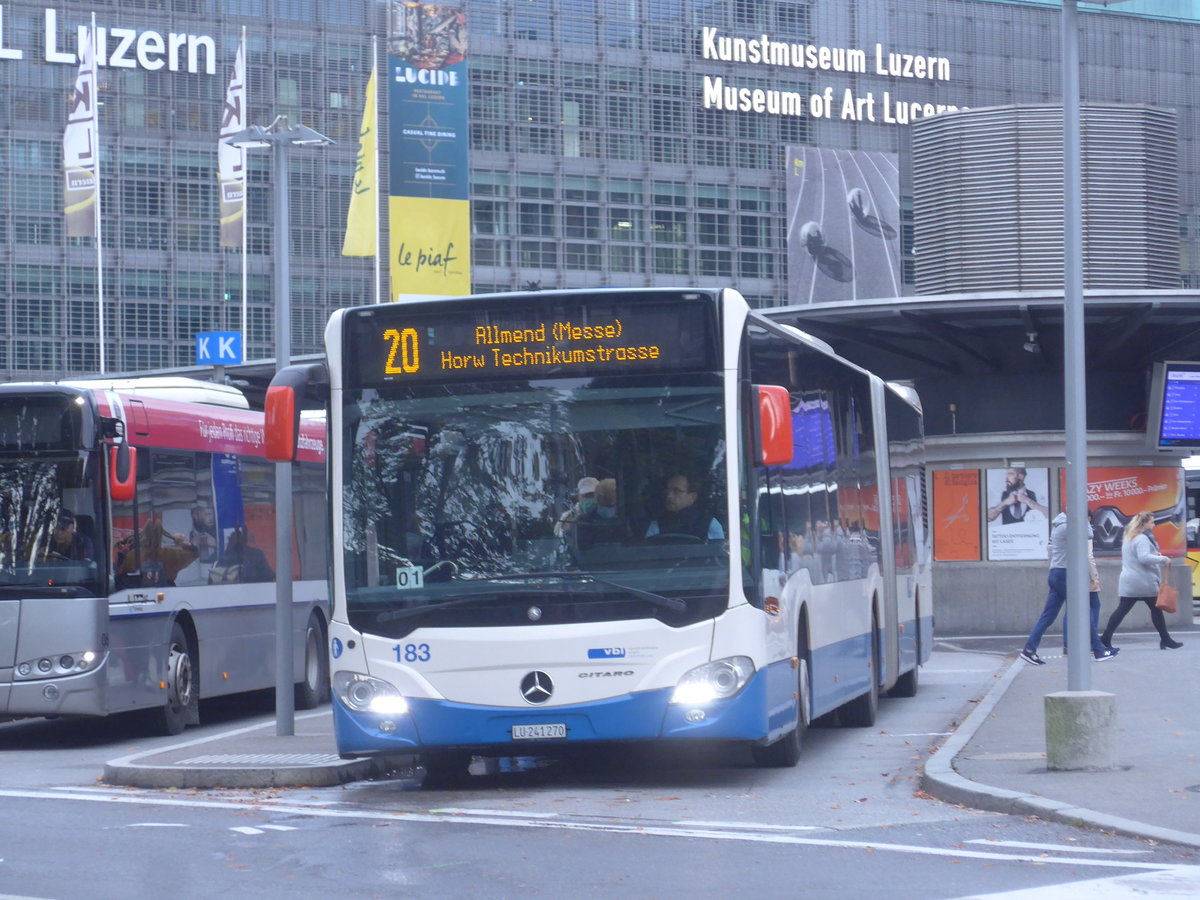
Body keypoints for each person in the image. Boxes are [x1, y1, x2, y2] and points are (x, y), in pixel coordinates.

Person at [1020, 511, 1119, 664]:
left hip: (1057, 573)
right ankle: (1099, 649)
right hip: (1064, 574)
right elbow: (1089, 534)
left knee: (1048, 615)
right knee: (1084, 609)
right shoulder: (1066, 526)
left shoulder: (1060, 525)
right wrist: (1083, 517)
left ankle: (1029, 650)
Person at [1101, 511, 1183, 650]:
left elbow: (1138, 556)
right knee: (1155, 610)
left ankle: (1105, 639)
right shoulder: (1142, 539)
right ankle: (1166, 639)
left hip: (1130, 581)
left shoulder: (1129, 538)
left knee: (1122, 610)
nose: (1154, 524)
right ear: (1144, 523)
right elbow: (1144, 558)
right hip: (1142, 582)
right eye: (1152, 522)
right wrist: (1163, 559)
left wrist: (1154, 554)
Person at [115, 517, 198, 587]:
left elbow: (120, 575)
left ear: (144, 536)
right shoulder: (171, 554)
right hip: (167, 592)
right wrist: (181, 543)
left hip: (139, 592)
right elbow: (195, 553)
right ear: (161, 536)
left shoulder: (134, 555)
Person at [645, 471, 723, 540]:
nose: (669, 496)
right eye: (668, 490)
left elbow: (718, 551)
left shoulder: (709, 524)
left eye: (676, 491)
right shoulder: (657, 525)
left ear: (693, 497)